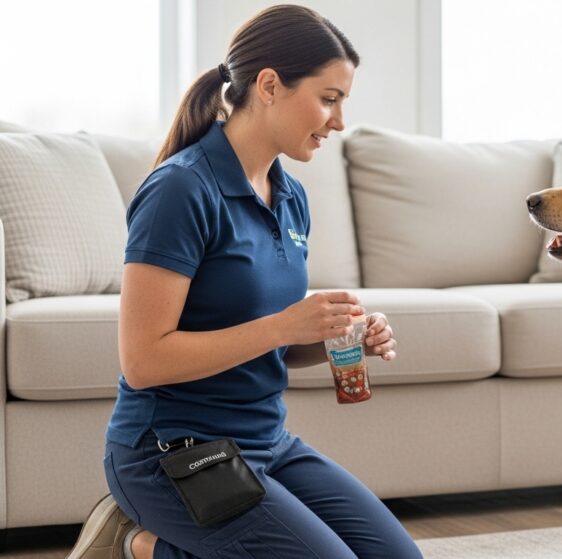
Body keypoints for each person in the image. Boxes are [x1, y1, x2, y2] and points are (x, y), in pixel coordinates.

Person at [67, 5, 423, 558]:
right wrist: (282, 326)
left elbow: (266, 345)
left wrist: (331, 338)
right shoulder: (181, 191)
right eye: (329, 99)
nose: (339, 121)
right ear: (269, 86)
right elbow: (143, 361)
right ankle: (139, 547)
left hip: (267, 442)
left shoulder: (291, 195)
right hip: (171, 452)